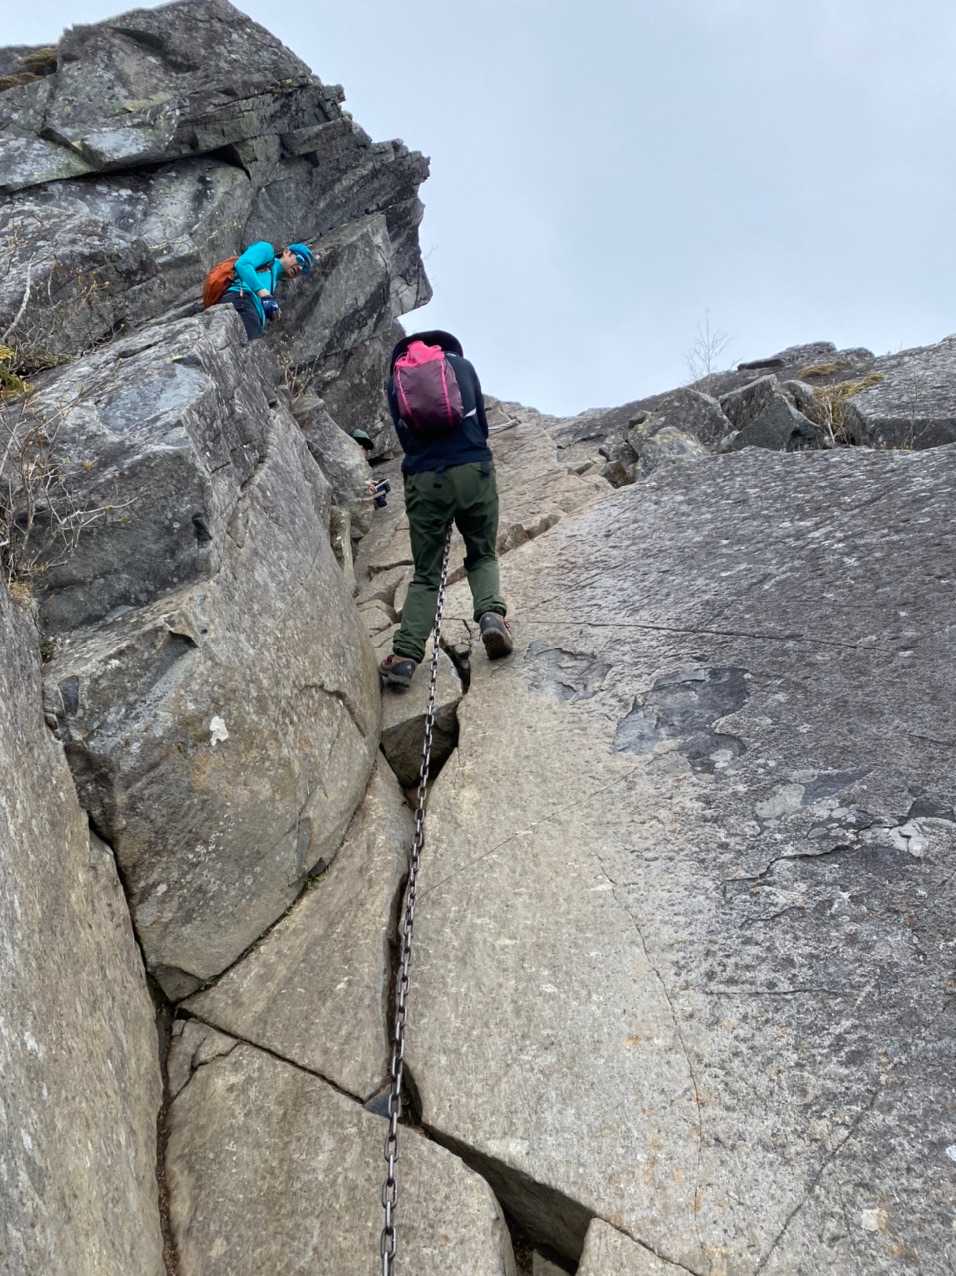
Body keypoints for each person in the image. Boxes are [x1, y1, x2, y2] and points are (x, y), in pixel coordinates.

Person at [379, 329, 512, 690]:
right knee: (482, 553)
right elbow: (481, 426)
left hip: (424, 479)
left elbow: (405, 438)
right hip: (472, 469)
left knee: (427, 573)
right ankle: (491, 617)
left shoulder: (395, 382)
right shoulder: (463, 367)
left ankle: (405, 658)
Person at [220, 241, 313, 339]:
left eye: (304, 269)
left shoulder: (273, 280)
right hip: (241, 301)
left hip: (251, 314)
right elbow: (242, 264)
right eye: (300, 260)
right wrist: (263, 293)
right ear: (286, 252)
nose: (300, 268)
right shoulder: (267, 250)